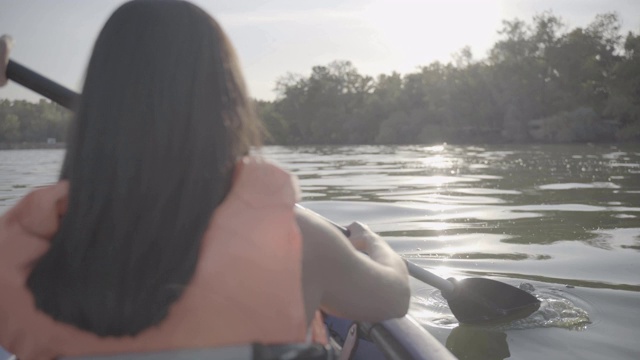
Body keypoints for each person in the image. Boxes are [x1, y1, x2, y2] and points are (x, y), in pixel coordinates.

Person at [0, 1, 410, 359]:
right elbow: (394, 296)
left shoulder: (17, 256)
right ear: (225, 102)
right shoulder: (299, 240)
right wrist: (376, 246)